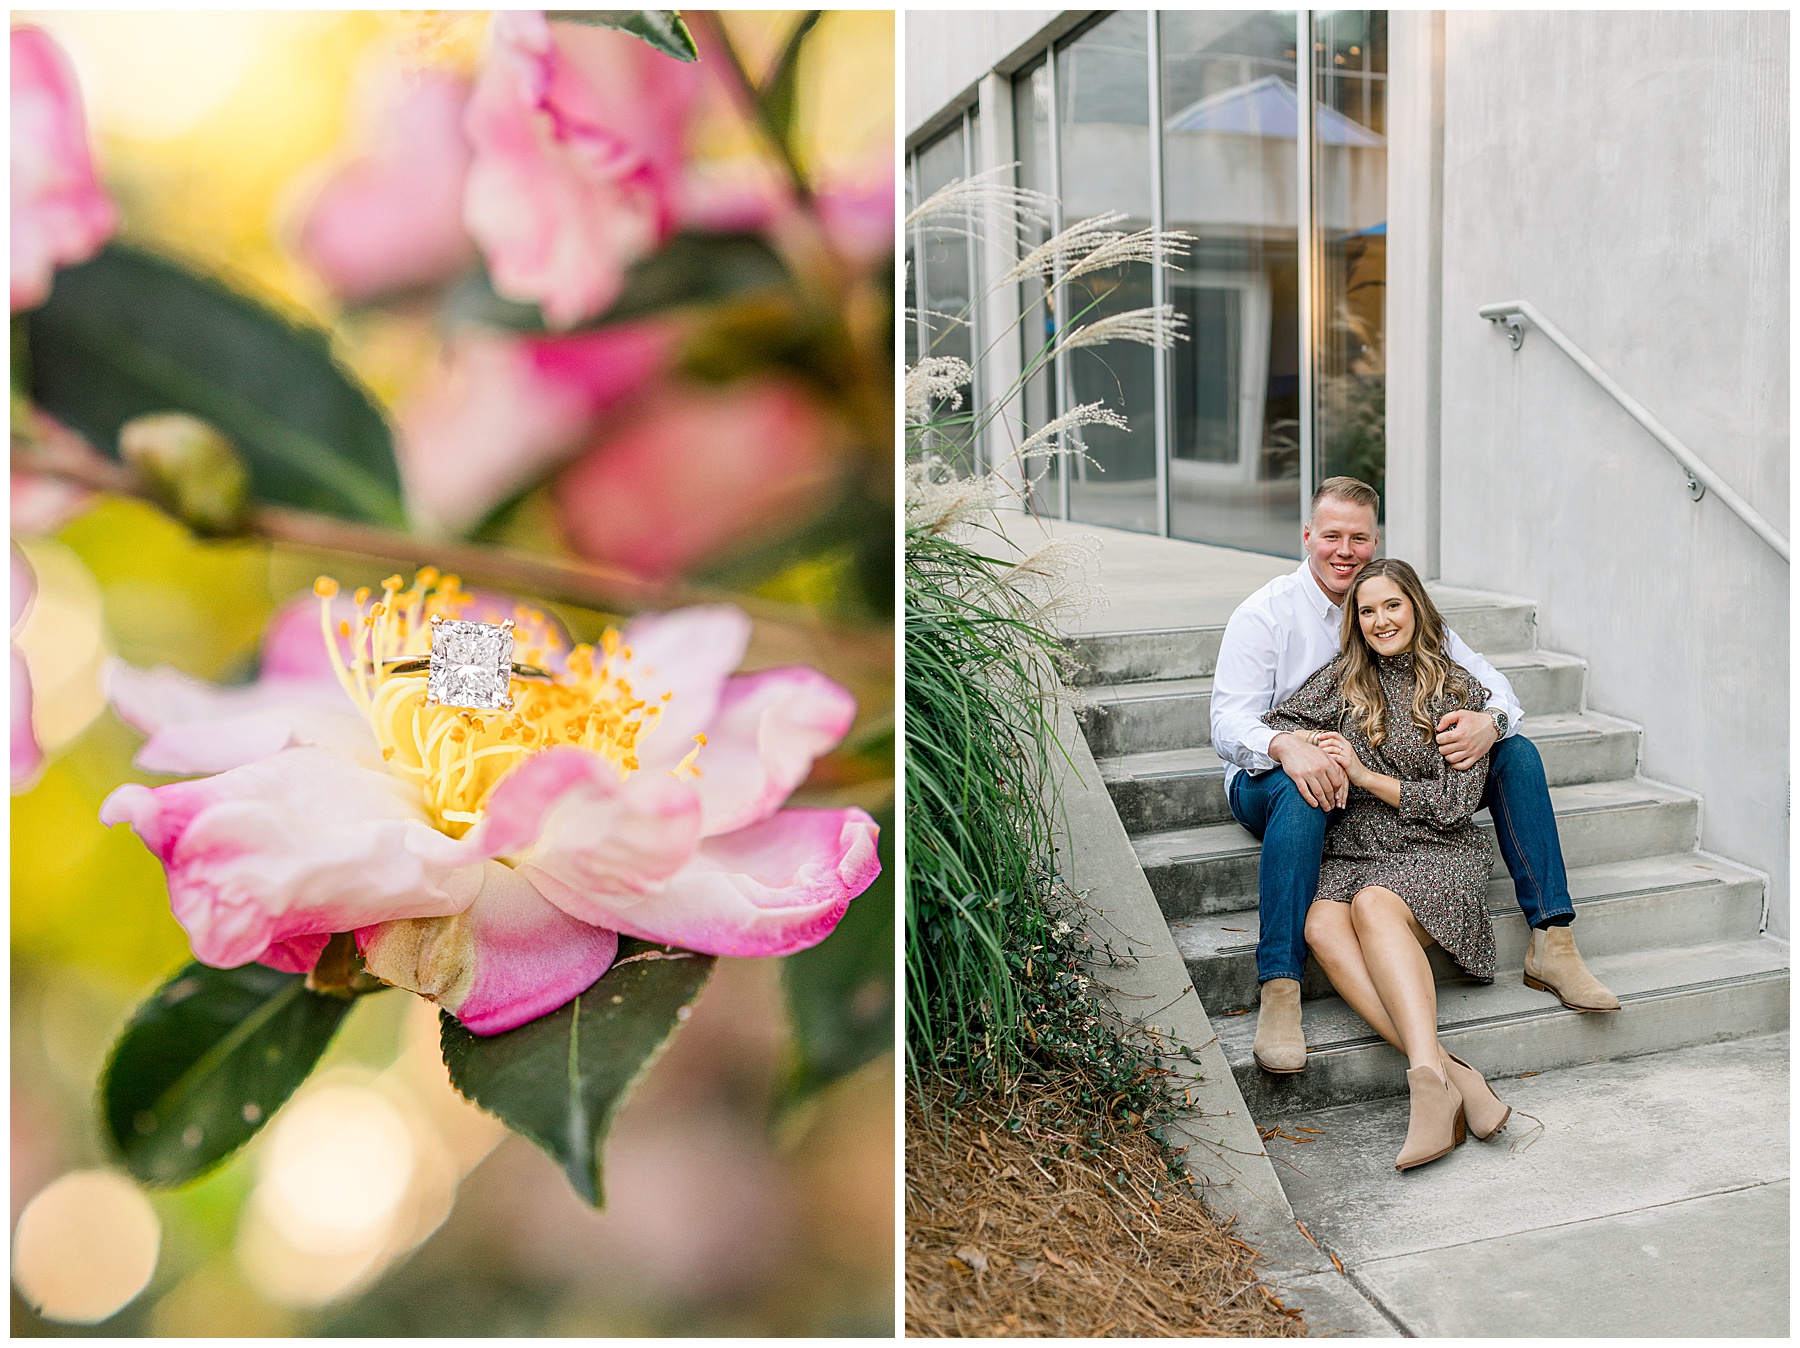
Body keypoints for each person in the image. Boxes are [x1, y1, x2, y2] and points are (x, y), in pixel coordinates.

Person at [1210, 476, 1618, 1078]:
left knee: (1517, 751)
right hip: (1267, 776)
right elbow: (1226, 722)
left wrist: (1489, 720)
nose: (1344, 550)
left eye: (1359, 538)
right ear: (1307, 537)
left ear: (1375, 543)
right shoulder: (1267, 613)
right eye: (1331, 536)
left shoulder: (1393, 603)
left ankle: (1552, 939)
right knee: (1303, 790)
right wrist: (1285, 746)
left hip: (1383, 790)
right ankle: (1280, 988)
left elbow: (1493, 688)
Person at [1261, 558, 1512, 1169]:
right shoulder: (1341, 680)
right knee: (1319, 923)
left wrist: (1362, 774)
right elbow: (1276, 723)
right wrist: (1312, 747)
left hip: (1434, 848)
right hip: (1355, 851)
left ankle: (1427, 1085)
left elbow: (1454, 805)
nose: (1379, 621)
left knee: (1375, 904)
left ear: (1416, 607)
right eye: (1366, 610)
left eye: (1391, 606)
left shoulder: (1456, 690)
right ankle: (1457, 1078)